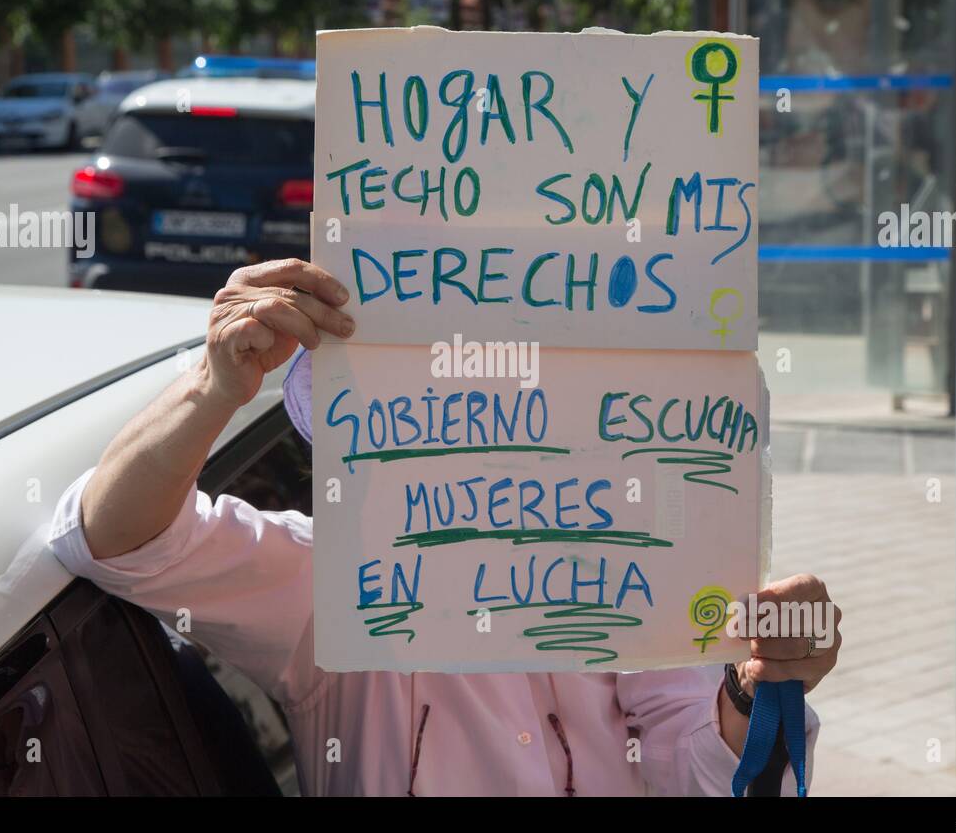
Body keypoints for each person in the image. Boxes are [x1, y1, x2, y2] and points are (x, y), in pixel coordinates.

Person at [46, 259, 842, 796]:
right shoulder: (338, 589)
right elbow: (114, 539)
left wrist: (757, 681)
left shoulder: (634, 570)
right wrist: (212, 387)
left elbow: (700, 774)